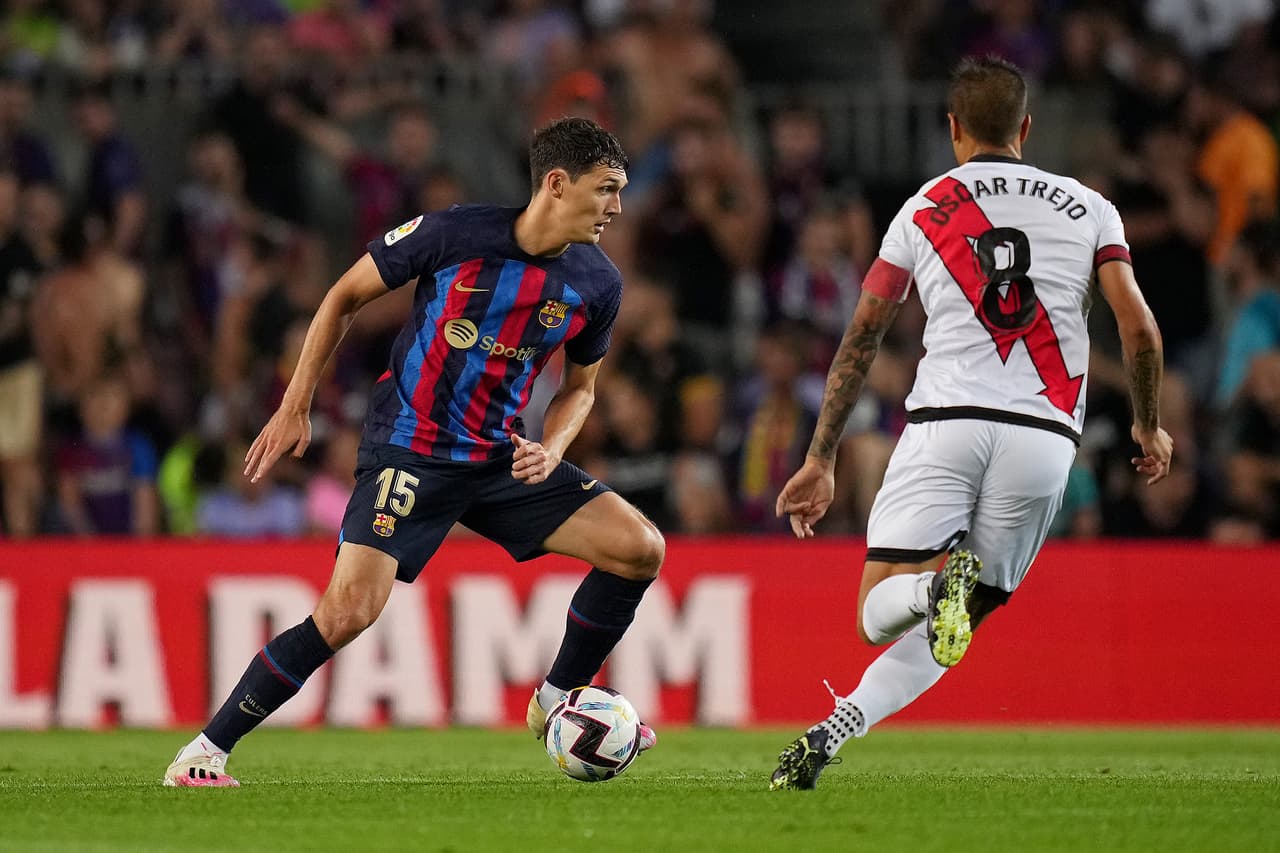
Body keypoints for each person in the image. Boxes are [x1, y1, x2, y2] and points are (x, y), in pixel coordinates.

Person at [163, 117, 664, 787]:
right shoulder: (454, 234)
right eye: (606, 190)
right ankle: (204, 751)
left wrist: (553, 446)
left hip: (499, 458)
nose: (617, 207)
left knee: (640, 548)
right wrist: (295, 402)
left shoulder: (597, 283)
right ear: (556, 183)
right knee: (347, 612)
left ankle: (555, 697)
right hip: (410, 452)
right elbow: (343, 295)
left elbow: (581, 388)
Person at [768, 57, 1172, 791]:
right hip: (1045, 441)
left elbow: (863, 334)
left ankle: (928, 590)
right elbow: (1138, 329)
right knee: (965, 617)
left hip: (946, 423)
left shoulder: (923, 207)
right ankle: (839, 726)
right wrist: (1149, 424)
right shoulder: (1091, 209)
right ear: (1025, 127)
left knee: (876, 611)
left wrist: (822, 454)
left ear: (952, 129)